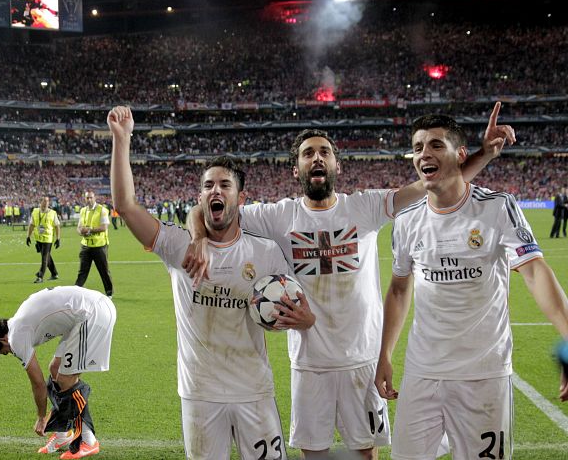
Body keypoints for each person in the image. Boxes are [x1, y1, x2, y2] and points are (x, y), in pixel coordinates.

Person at [182, 103, 515, 459]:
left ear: (337, 165)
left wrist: (485, 154)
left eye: (324, 152)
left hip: (361, 360)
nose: (317, 158)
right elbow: (201, 210)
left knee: (365, 454)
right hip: (309, 363)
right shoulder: (278, 216)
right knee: (314, 454)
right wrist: (198, 238)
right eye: (308, 154)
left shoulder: (364, 208)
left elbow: (433, 181)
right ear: (296, 170)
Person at [108, 106, 315, 459]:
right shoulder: (179, 247)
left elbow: (299, 308)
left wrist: (304, 320)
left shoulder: (265, 252)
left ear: (240, 198)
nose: (215, 190)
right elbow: (125, 205)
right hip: (200, 394)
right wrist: (121, 139)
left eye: (224, 185)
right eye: (207, 186)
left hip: (254, 391)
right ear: (201, 198)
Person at [374, 113, 568, 459]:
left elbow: (535, 272)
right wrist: (385, 355)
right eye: (417, 147)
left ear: (461, 154)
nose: (423, 154)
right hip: (423, 373)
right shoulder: (406, 221)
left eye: (436, 144)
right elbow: (400, 289)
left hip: (484, 373)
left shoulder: (497, 208)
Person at [0, 286, 116, 459]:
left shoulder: (16, 337)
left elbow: (37, 383)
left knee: (67, 380)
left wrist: (41, 417)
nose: (11, 353)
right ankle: (63, 435)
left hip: (92, 314)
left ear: (3, 339)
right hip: (84, 313)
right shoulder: (18, 323)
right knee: (55, 369)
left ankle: (88, 441)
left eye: (6, 351)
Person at [74, 191, 113, 298]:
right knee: (82, 271)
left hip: (99, 246)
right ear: (85, 199)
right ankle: (76, 291)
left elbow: (104, 227)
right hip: (86, 246)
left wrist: (89, 230)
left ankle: (109, 292)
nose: (89, 200)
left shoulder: (102, 210)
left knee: (103, 270)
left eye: (91, 197)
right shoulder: (82, 211)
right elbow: (79, 227)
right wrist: (80, 231)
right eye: (87, 198)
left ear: (94, 198)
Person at [27, 195, 61, 283]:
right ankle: (54, 273)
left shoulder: (53, 213)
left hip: (48, 239)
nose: (46, 203)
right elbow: (31, 225)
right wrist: (28, 236)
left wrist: (58, 238)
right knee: (47, 256)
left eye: (47, 201)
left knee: (44, 257)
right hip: (38, 238)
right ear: (40, 202)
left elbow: (57, 226)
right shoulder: (35, 211)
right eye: (44, 201)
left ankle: (40, 276)